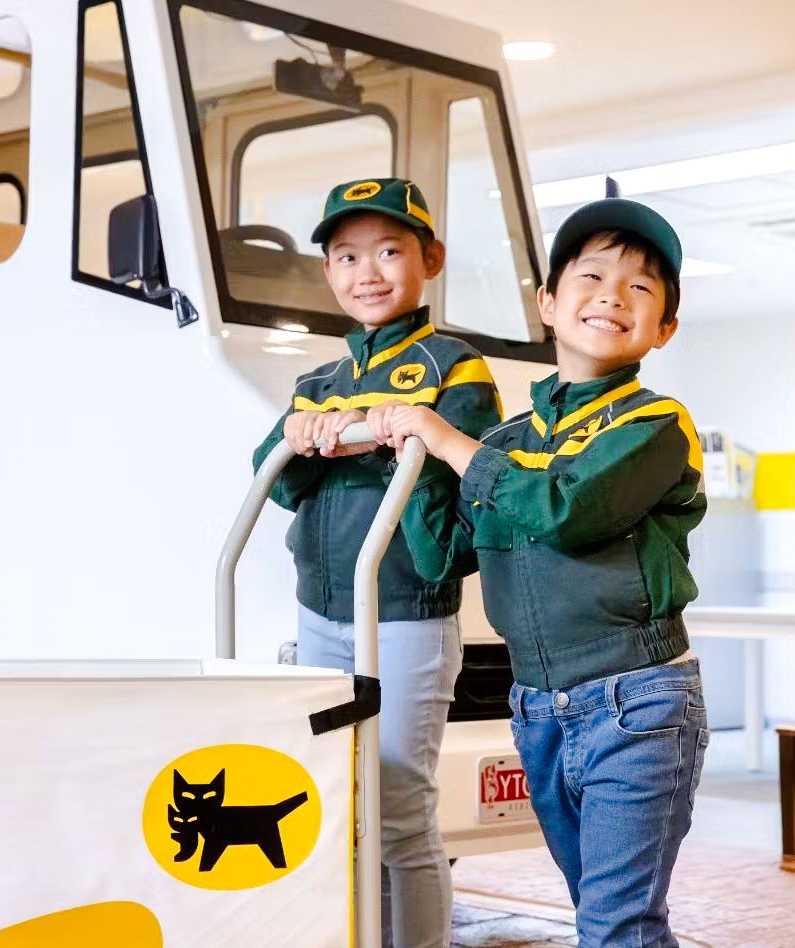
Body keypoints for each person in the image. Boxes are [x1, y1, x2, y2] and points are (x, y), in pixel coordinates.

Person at [369, 198, 709, 948]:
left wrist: (445, 438)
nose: (613, 295)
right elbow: (442, 555)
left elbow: (567, 510)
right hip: (537, 711)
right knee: (607, 915)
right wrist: (415, 454)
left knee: (615, 924)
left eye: (641, 288)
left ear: (664, 330)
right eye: (590, 275)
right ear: (548, 304)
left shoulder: (655, 426)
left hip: (639, 704)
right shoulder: (508, 438)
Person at [251, 177, 501, 948]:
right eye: (347, 255)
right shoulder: (317, 382)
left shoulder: (455, 366)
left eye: (390, 251)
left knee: (398, 807)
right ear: (327, 272)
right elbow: (273, 476)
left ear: (430, 258)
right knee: (334, 798)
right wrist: (322, 433)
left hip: (404, 615)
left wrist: (350, 436)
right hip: (320, 612)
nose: (369, 272)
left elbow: (459, 469)